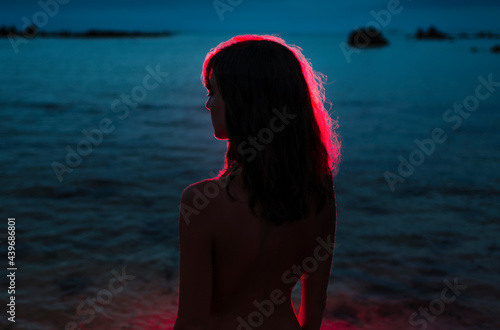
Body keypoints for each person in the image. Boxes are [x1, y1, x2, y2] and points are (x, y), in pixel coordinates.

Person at [174, 35, 340, 330]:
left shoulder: (202, 203)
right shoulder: (319, 191)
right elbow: (314, 305)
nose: (208, 104)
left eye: (214, 92)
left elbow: (191, 321)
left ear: (243, 101)